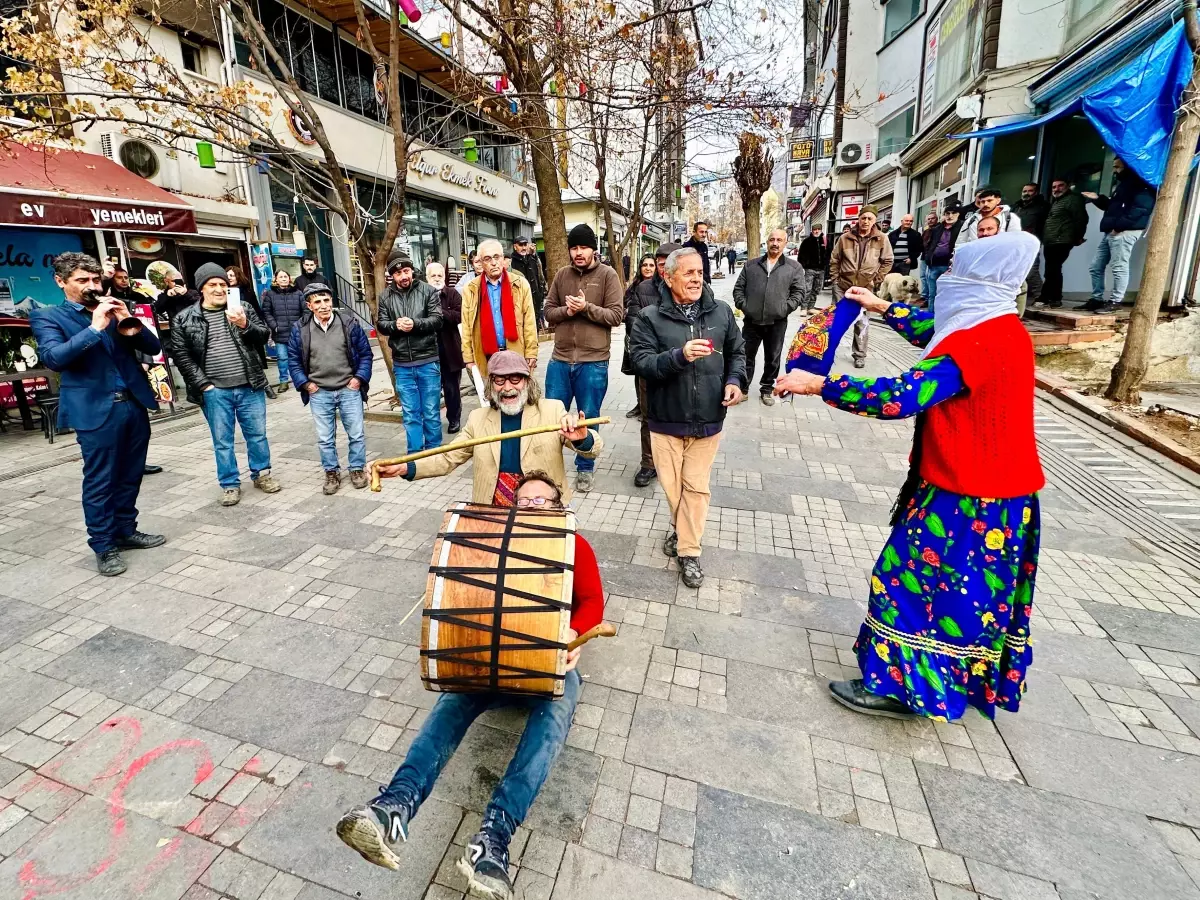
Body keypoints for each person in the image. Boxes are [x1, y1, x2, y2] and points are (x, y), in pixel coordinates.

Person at [774, 232, 1044, 723]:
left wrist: (821, 384)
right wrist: (881, 306)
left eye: (957, 274)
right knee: (958, 596)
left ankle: (899, 689)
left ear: (974, 283)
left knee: (908, 582)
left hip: (970, 499)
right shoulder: (998, 326)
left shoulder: (980, 343)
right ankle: (932, 684)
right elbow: (935, 329)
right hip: (986, 493)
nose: (947, 284)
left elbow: (904, 394)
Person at [336, 469, 605, 900]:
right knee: (450, 704)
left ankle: (493, 841)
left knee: (556, 716)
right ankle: (392, 806)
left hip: (547, 657)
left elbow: (592, 599)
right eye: (525, 500)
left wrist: (575, 635)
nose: (534, 505)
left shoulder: (574, 542)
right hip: (489, 653)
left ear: (559, 505)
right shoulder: (492, 539)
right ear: (511, 508)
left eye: (544, 500)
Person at [31, 252, 166, 576]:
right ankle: (104, 546)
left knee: (131, 474)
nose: (91, 286)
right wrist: (94, 328)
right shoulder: (49, 317)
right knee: (100, 481)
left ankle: (125, 530)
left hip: (132, 404)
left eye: (94, 279)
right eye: (82, 280)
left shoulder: (114, 308)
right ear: (61, 282)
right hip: (95, 411)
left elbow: (151, 347)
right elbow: (54, 358)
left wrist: (124, 318)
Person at [629, 247, 746, 589]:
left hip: (709, 419)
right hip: (666, 421)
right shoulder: (649, 318)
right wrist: (678, 356)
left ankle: (689, 552)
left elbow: (737, 354)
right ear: (668, 276)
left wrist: (735, 382)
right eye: (689, 273)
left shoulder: (721, 313)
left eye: (700, 272)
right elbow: (643, 364)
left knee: (695, 488)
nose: (697, 279)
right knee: (673, 490)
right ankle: (681, 531)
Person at [376, 351, 601, 506]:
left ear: (527, 381)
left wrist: (583, 439)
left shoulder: (552, 410)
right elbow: (446, 458)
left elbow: (594, 448)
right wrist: (404, 468)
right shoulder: (478, 419)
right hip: (492, 507)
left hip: (542, 505)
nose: (508, 387)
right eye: (499, 381)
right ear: (490, 386)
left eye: (515, 379)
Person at [169, 263, 281, 506]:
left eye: (223, 284)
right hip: (215, 391)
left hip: (250, 386)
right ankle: (230, 483)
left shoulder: (243, 308)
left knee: (257, 435)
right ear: (201, 289)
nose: (219, 289)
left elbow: (263, 337)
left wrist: (244, 324)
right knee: (222, 440)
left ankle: (261, 474)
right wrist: (204, 385)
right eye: (213, 285)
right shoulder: (184, 318)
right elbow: (181, 355)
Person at [543, 223, 624, 494]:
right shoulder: (562, 275)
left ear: (593, 249)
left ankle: (585, 468)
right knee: (551, 416)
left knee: (587, 417)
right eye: (574, 247)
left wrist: (586, 307)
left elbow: (616, 316)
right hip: (560, 359)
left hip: (593, 361)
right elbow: (548, 312)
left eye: (583, 247)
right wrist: (567, 311)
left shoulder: (607, 275)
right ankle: (545, 468)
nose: (578, 252)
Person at [286, 283, 373, 494]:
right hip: (319, 392)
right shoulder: (300, 329)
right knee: (325, 438)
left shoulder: (349, 323)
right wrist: (306, 384)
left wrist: (358, 379)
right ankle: (331, 472)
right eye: (318, 302)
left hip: (348, 388)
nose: (324, 305)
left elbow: (365, 355)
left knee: (356, 434)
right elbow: (294, 360)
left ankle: (356, 468)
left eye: (326, 300)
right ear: (309, 305)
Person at [625, 245, 679, 489]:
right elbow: (634, 324)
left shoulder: (694, 286)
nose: (662, 266)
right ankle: (648, 463)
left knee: (680, 412)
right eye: (660, 262)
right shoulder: (644, 288)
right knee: (648, 417)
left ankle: (675, 461)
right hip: (650, 363)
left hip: (682, 363)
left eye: (668, 261)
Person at [377, 256, 443, 453]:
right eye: (398, 273)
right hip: (402, 363)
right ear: (392, 276)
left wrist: (415, 323)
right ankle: (414, 453)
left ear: (412, 271)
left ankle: (434, 453)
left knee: (431, 411)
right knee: (410, 413)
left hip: (427, 360)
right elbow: (381, 324)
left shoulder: (428, 291)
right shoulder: (385, 296)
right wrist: (395, 325)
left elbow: (437, 320)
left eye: (406, 271)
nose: (403, 276)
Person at [733, 228, 804, 405]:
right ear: (767, 241)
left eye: (779, 240)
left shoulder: (793, 268)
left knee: (772, 357)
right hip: (752, 321)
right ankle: (743, 388)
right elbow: (738, 289)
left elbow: (799, 292)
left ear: (785, 243)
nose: (775, 243)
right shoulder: (751, 265)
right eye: (772, 239)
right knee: (745, 355)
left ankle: (766, 388)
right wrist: (745, 306)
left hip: (777, 322)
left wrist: (784, 309)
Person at [1081, 156, 1157, 313]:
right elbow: (1114, 207)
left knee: (1119, 266)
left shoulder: (1140, 184)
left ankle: (1116, 301)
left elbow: (1142, 208)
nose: (1114, 171)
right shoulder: (1124, 185)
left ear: (1128, 166)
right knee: (1096, 267)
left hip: (1124, 231)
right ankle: (1096, 299)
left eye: (1117, 167)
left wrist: (1119, 226)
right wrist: (1098, 199)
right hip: (1113, 230)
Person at [460, 239, 539, 379]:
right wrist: (468, 358)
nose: (494, 262)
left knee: (517, 396)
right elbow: (466, 326)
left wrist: (531, 352)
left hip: (515, 352)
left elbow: (530, 322)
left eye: (497, 257)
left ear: (503, 259)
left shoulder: (520, 284)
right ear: (480, 262)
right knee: (491, 398)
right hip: (486, 355)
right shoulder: (471, 288)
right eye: (487, 258)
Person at [829, 206, 894, 368]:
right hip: (843, 286)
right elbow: (834, 260)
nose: (866, 221)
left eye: (869, 219)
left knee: (862, 322)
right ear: (858, 219)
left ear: (874, 221)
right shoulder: (845, 238)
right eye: (863, 218)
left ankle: (859, 355)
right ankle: (828, 352)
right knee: (837, 320)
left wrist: (876, 280)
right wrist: (835, 279)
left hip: (865, 289)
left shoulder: (881, 239)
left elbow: (888, 261)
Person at [1037, 177, 1090, 309]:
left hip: (1062, 240)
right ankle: (1048, 297)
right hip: (1050, 240)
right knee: (1050, 270)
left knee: (1053, 269)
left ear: (1068, 186)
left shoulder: (1073, 200)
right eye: (1054, 187)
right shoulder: (1056, 202)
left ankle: (1052, 298)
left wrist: (1078, 237)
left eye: (1060, 186)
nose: (1057, 189)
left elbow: (1081, 219)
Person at [425, 262, 465, 434]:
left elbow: (459, 315)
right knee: (431, 389)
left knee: (451, 388)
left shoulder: (453, 294)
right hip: (427, 350)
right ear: (427, 278)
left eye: (439, 275)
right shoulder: (422, 295)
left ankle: (454, 418)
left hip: (450, 349)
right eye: (433, 276)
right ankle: (432, 422)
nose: (436, 279)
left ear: (444, 276)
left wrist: (440, 312)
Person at [226, 266, 275, 399]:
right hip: (232, 328)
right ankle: (262, 386)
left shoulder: (247, 291)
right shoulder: (224, 293)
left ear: (238, 276)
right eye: (227, 275)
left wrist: (260, 327)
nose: (229, 278)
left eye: (232, 275)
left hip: (249, 328)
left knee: (254, 359)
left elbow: (256, 310)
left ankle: (265, 385)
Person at [623, 254, 657, 417]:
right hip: (634, 336)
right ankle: (640, 404)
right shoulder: (633, 287)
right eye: (645, 265)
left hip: (652, 338)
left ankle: (648, 407)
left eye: (652, 265)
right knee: (638, 371)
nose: (648, 268)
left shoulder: (659, 287)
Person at [261, 270, 304, 392]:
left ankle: (300, 380)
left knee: (298, 357)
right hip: (280, 333)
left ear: (289, 279)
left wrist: (300, 325)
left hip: (297, 332)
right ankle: (283, 381)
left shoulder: (298, 293)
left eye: (286, 276)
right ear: (276, 280)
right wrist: (274, 326)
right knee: (282, 358)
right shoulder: (270, 294)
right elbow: (266, 312)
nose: (284, 279)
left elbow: (305, 311)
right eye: (281, 277)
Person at [920, 206, 963, 312]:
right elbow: (930, 244)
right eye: (947, 213)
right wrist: (928, 258)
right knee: (932, 294)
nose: (950, 216)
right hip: (933, 265)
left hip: (950, 267)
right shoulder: (937, 229)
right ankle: (930, 319)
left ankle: (943, 319)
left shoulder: (961, 227)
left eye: (953, 213)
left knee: (948, 294)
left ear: (958, 214)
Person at [1013, 184, 1048, 306]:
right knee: (1018, 270)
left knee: (1031, 270)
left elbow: (1045, 225)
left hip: (1032, 242)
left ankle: (1038, 295)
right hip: (1016, 242)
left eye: (1030, 191)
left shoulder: (1042, 207)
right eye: (1024, 191)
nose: (1026, 193)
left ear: (1036, 192)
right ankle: (1024, 297)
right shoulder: (1017, 207)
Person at [958, 186, 1023, 243]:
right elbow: (960, 242)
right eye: (983, 202)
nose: (985, 204)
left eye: (989, 200)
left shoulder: (1009, 218)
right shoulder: (971, 220)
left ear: (998, 200)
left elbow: (1015, 241)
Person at [510, 235, 547, 331]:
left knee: (534, 332)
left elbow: (540, 276)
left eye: (525, 244)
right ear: (515, 246)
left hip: (535, 301)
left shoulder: (532, 259)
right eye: (520, 245)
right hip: (520, 303)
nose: (523, 247)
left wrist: (541, 294)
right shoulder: (512, 262)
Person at [797, 225, 828, 311]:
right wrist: (804, 265)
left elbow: (829, 254)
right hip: (810, 270)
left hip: (821, 270)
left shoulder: (825, 241)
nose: (816, 231)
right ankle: (803, 308)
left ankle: (811, 307)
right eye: (815, 230)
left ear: (821, 230)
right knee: (807, 289)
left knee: (816, 289)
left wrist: (825, 265)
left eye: (818, 229)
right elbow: (801, 255)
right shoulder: (807, 241)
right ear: (812, 231)